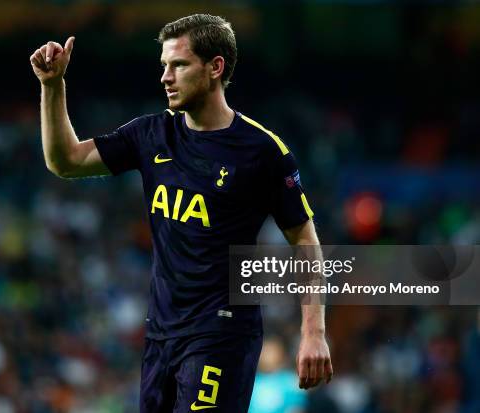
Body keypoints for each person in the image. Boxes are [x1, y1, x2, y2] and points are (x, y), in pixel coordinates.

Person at [30, 13, 332, 412]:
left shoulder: (262, 151)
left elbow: (304, 241)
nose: (165, 77)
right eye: (163, 66)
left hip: (221, 335)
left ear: (215, 68)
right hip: (160, 335)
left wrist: (313, 333)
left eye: (178, 65)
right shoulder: (151, 134)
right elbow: (65, 161)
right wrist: (53, 87)